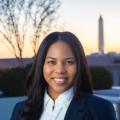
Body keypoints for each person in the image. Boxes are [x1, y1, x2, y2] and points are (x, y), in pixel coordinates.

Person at [11, 31, 117, 120]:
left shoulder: (99, 109)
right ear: (41, 65)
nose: (60, 70)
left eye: (69, 62)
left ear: (79, 65)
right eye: (52, 62)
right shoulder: (21, 110)